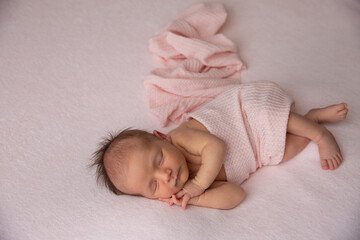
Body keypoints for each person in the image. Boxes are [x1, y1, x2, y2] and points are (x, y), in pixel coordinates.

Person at [91, 82, 348, 210]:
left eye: (158, 161)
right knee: (283, 152)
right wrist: (196, 197)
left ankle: (321, 134)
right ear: (155, 198)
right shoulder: (193, 186)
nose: (165, 175)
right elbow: (235, 195)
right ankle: (312, 118)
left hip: (247, 110)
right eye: (154, 185)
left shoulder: (181, 138)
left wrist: (198, 184)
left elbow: (216, 147)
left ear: (161, 137)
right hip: (259, 148)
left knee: (271, 116)